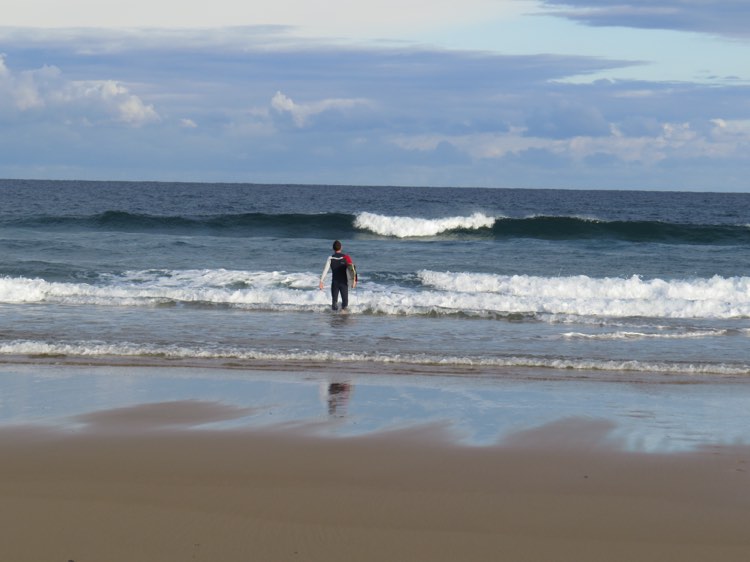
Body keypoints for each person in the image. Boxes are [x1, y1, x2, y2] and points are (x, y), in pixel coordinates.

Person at [319, 240, 356, 311]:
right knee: (345, 303)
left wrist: (321, 281)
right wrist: (354, 281)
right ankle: (343, 316)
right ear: (341, 247)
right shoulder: (346, 257)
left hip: (335, 283)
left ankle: (334, 319)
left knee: (334, 303)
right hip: (344, 283)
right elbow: (352, 270)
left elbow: (325, 270)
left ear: (333, 248)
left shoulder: (330, 258)